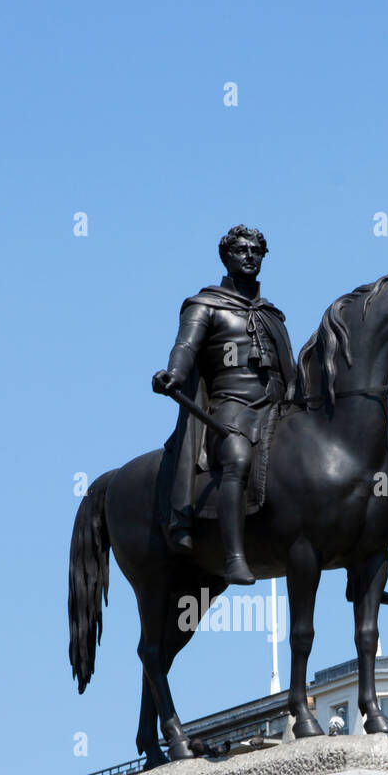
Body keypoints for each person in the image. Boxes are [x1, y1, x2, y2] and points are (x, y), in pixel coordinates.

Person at [154, 225, 296, 584]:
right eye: (241, 250)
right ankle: (235, 556)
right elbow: (186, 347)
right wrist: (173, 373)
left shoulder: (271, 315)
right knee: (236, 457)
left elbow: (290, 368)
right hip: (231, 406)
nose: (250, 256)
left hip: (277, 408)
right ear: (226, 257)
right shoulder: (206, 306)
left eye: (256, 251)